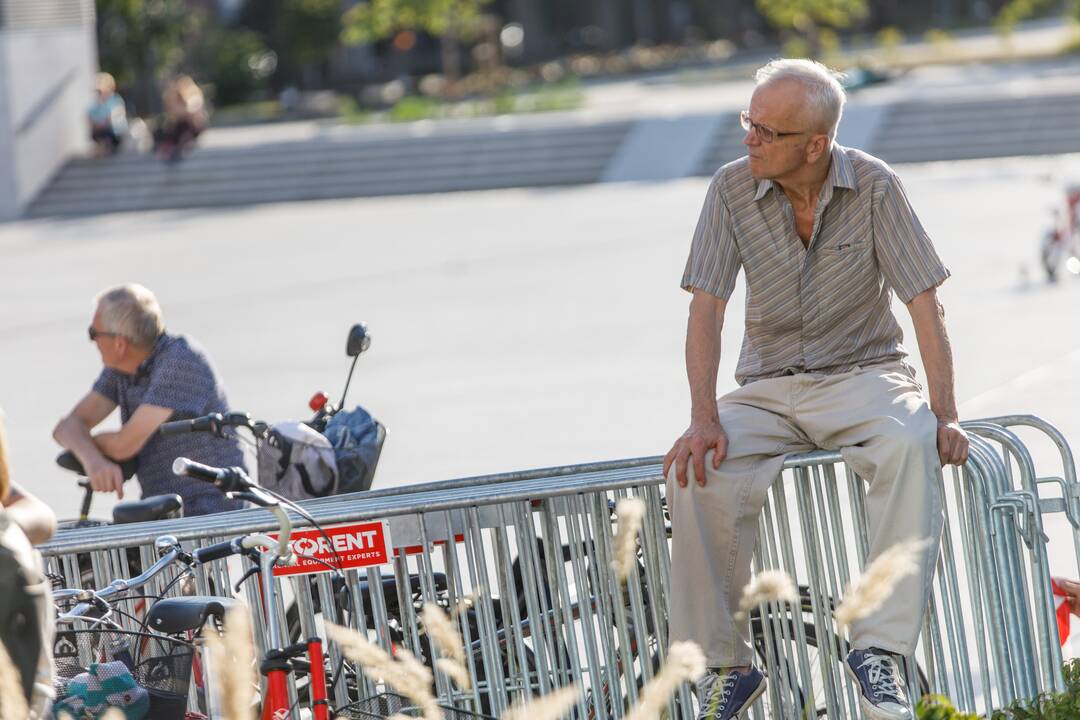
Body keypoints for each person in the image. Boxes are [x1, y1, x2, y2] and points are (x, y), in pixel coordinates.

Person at [663, 59, 969, 720]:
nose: (749, 140)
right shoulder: (728, 190)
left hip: (865, 374)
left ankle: (881, 651)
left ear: (815, 145)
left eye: (766, 132)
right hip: (767, 386)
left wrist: (944, 414)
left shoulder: (877, 187)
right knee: (692, 470)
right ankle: (726, 666)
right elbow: (705, 311)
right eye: (748, 123)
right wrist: (702, 417)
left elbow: (925, 305)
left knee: (910, 441)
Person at [53, 284, 243, 516]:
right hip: (164, 505)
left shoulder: (181, 361)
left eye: (94, 333)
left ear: (119, 343)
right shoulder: (121, 367)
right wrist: (94, 461)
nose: (92, 341)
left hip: (211, 506)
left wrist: (88, 441)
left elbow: (124, 445)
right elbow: (66, 427)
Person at [155, 75, 208, 162]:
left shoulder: (194, 96)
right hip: (182, 128)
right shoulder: (178, 98)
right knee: (173, 125)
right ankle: (171, 147)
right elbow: (173, 112)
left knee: (183, 123)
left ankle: (175, 146)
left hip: (194, 127)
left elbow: (190, 111)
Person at [87, 72, 127, 157]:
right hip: (101, 133)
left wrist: (101, 123)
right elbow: (90, 117)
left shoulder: (116, 101)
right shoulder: (97, 104)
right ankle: (101, 148)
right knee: (98, 132)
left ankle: (105, 148)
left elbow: (112, 119)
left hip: (114, 134)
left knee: (105, 132)